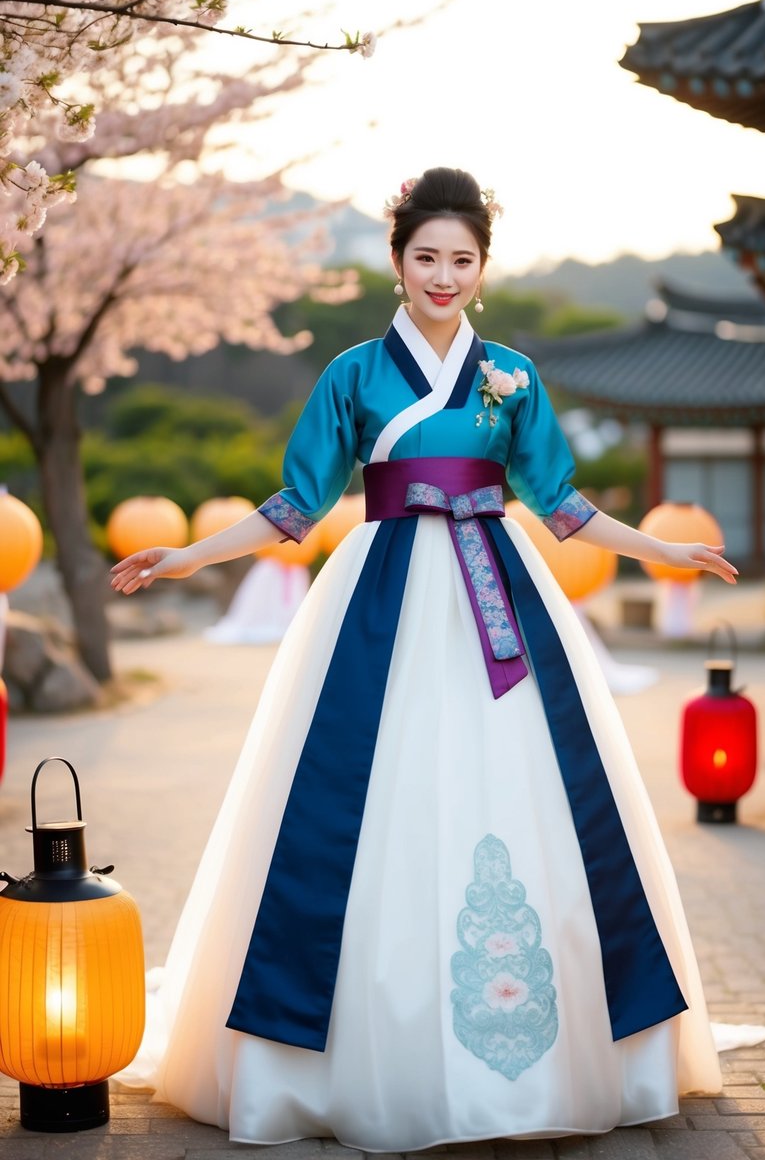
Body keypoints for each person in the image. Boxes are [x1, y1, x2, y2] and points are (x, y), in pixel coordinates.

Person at [110, 166, 731, 1152]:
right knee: (354, 793)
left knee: (539, 792)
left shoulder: (512, 375)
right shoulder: (352, 374)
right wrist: (185, 554)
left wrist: (665, 549)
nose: (442, 275)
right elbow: (295, 505)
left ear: (482, 268)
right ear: (396, 262)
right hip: (380, 594)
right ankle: (345, 1049)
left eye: (462, 259)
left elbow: (561, 503)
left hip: (495, 587)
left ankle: (543, 1049)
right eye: (425, 256)